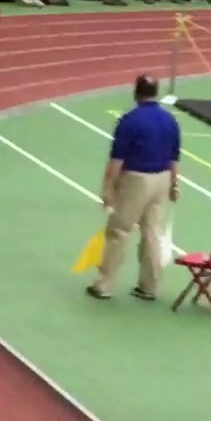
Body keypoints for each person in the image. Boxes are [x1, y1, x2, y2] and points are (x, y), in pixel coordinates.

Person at [86, 75, 181, 302]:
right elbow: (174, 156)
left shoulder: (129, 121)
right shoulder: (170, 120)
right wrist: (175, 184)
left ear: (136, 92)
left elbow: (117, 160)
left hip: (136, 180)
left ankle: (105, 284)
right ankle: (150, 286)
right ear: (156, 92)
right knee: (152, 233)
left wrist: (108, 187)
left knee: (119, 230)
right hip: (162, 178)